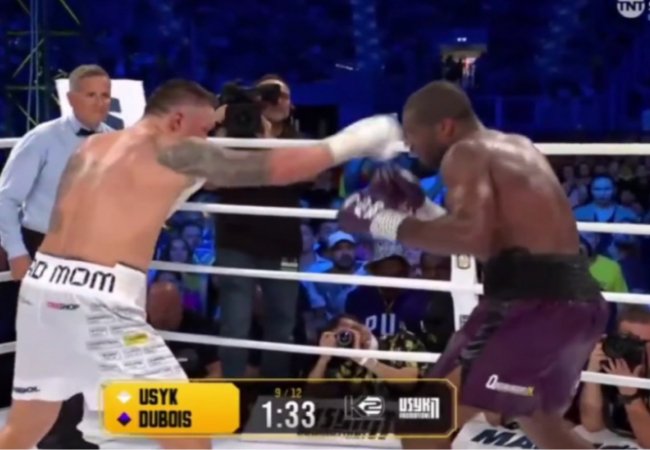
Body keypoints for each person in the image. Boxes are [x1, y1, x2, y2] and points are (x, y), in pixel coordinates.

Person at [0, 78, 402, 450]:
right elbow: (281, 169)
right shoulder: (178, 152)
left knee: (29, 423)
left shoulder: (92, 148)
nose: (209, 138)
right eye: (205, 129)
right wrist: (356, 141)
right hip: (101, 304)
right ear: (177, 120)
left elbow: (117, 203)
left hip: (41, 290)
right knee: (190, 433)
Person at [337, 80, 609, 449]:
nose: (411, 148)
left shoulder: (464, 152)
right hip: (576, 303)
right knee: (539, 421)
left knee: (422, 424)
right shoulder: (517, 147)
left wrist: (382, 222)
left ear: (445, 126)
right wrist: (422, 208)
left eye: (413, 136)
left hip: (530, 307)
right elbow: (496, 244)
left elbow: (470, 238)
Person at [0, 64, 112, 450]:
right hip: (44, 246)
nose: (100, 102)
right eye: (91, 94)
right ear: (71, 98)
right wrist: (17, 252)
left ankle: (73, 430)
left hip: (94, 250)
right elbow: (6, 198)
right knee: (51, 343)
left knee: (86, 340)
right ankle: (52, 433)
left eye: (105, 95)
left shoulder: (114, 141)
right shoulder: (43, 139)